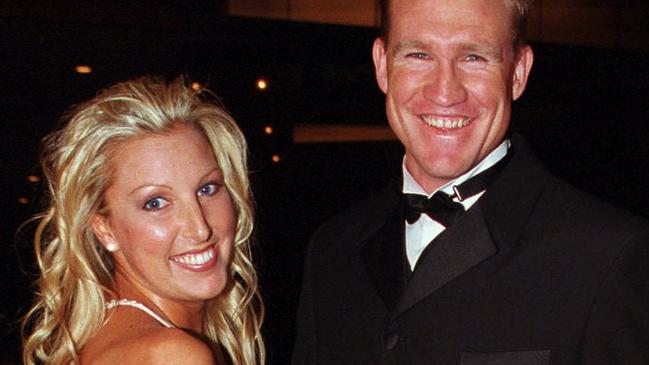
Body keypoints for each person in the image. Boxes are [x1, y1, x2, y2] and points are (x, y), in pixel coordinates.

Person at [293, 0, 649, 363]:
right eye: (418, 54)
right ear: (382, 66)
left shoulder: (609, 256)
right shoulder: (331, 250)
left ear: (518, 73)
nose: (445, 92)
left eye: (474, 58)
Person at [21, 76, 265, 364]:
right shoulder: (172, 354)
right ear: (104, 228)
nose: (199, 228)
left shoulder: (109, 337)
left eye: (207, 189)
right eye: (156, 203)